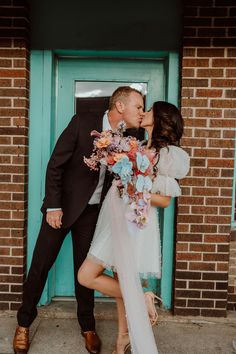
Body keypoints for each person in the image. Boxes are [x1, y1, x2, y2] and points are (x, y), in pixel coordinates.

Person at [13, 86, 145, 354]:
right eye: (139, 107)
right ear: (120, 107)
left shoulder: (130, 137)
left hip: (93, 214)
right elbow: (55, 165)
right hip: (61, 210)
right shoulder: (82, 123)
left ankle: (88, 325)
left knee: (84, 273)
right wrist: (52, 206)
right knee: (40, 266)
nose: (141, 113)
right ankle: (23, 324)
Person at [78, 101, 190, 354]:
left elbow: (164, 201)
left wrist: (137, 187)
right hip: (115, 215)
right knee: (116, 278)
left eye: (148, 110)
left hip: (134, 223)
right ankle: (125, 333)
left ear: (160, 119)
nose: (143, 113)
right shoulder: (137, 146)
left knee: (87, 275)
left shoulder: (166, 155)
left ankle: (137, 304)